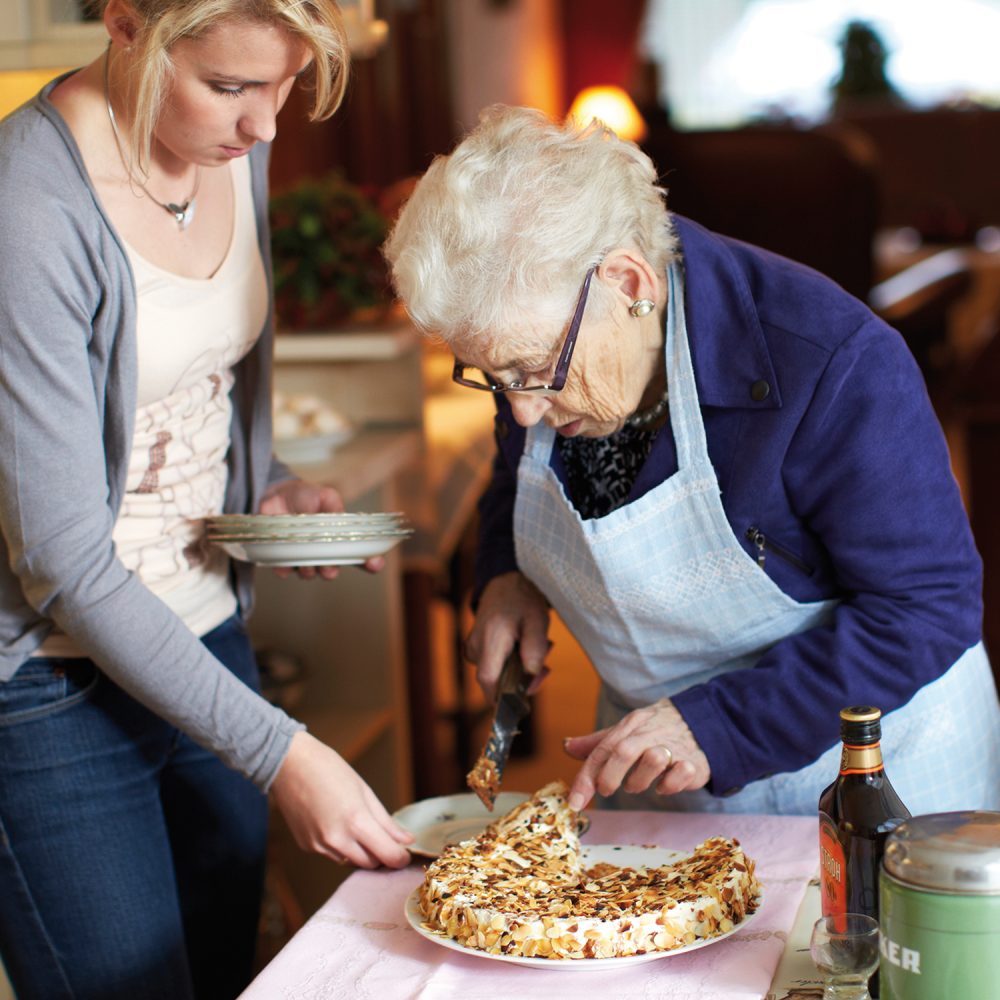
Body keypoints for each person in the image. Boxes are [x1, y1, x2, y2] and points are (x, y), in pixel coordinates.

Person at [385, 105, 1000, 822]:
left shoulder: (832, 362)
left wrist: (719, 724)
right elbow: (520, 480)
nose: (520, 412)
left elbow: (928, 607)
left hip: (875, 773)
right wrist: (505, 575)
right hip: (662, 767)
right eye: (491, 378)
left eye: (530, 372)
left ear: (629, 283)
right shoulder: (535, 348)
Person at [0, 2, 412, 998]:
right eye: (231, 87)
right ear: (126, 24)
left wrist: (267, 493)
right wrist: (282, 753)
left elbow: (197, 393)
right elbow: (58, 551)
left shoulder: (235, 150)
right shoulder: (27, 206)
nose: (266, 125)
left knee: (234, 968)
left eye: (284, 87)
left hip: (208, 633)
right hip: (48, 685)